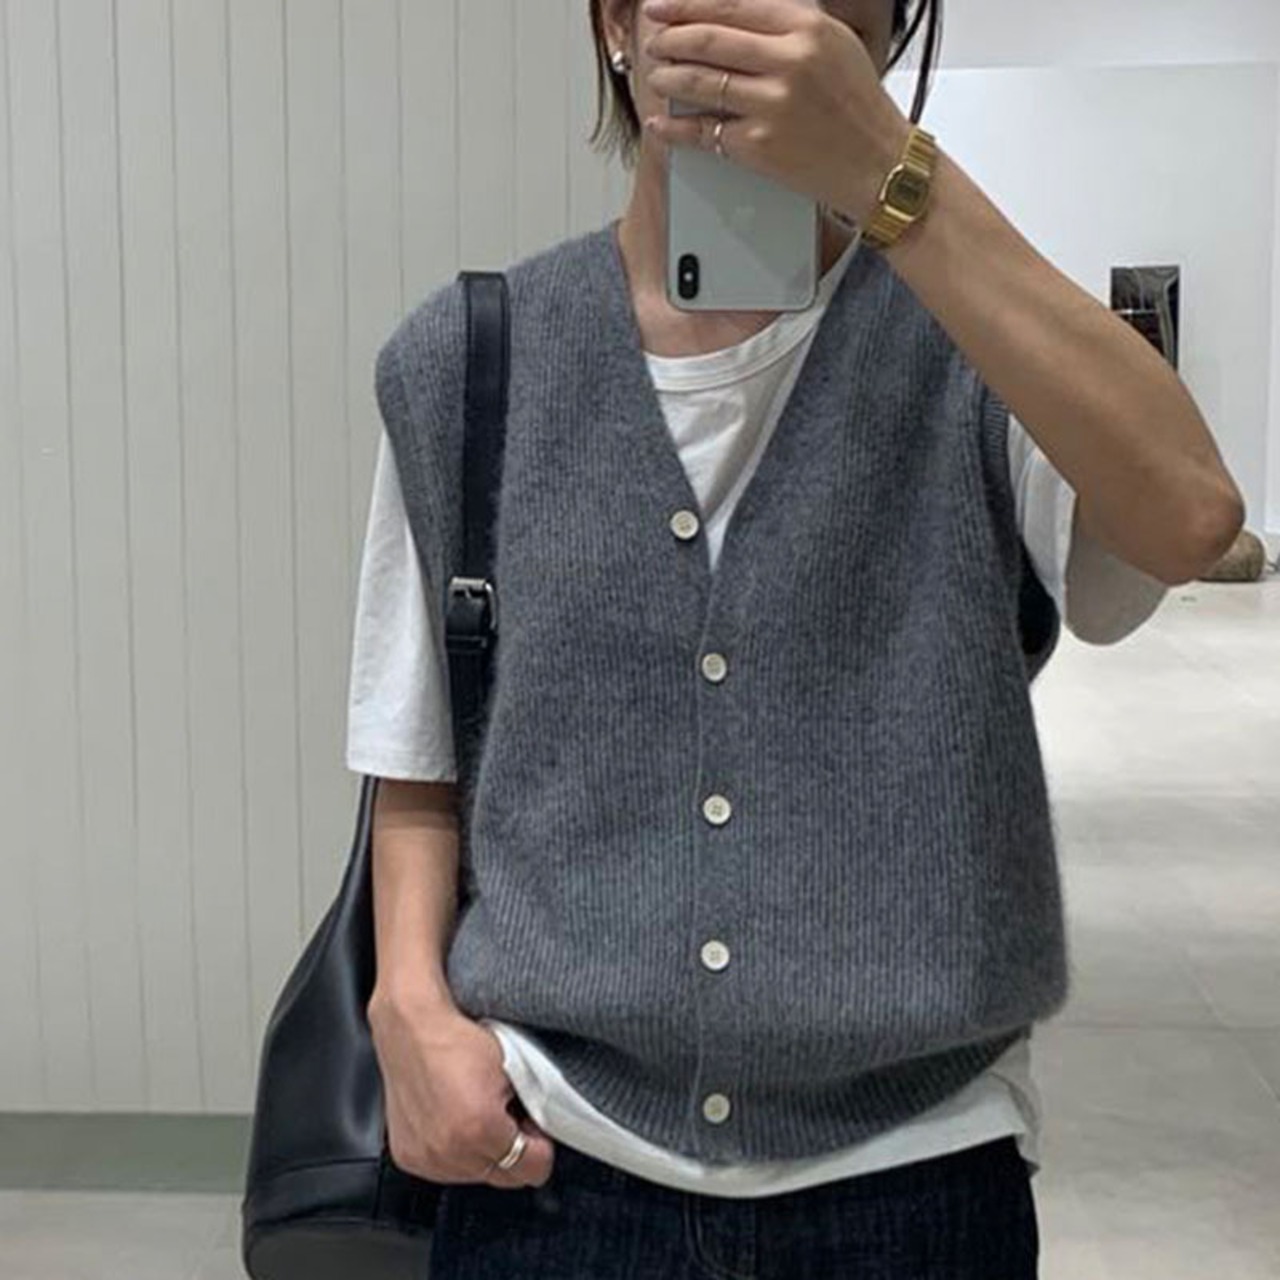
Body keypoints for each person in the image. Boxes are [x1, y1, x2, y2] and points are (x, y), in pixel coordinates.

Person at [349, 1, 1246, 1275]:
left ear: (876, 43)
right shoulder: (467, 360)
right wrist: (407, 1002)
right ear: (615, 24)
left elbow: (1190, 516)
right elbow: (415, 755)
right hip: (551, 1165)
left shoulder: (980, 347)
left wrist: (894, 180)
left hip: (914, 1178)